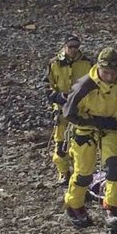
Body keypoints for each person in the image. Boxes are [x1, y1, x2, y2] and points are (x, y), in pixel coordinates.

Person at [62, 46, 117, 231]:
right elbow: (69, 113)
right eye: (106, 72)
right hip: (85, 131)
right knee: (84, 174)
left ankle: (113, 209)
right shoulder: (85, 86)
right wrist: (95, 122)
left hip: (111, 129)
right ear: (98, 68)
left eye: (113, 73)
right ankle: (74, 206)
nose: (110, 77)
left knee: (116, 169)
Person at [45, 34, 92, 185]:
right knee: (60, 143)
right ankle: (63, 173)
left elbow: (95, 85)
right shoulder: (54, 63)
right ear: (65, 46)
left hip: (81, 109)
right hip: (61, 109)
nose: (73, 49)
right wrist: (57, 97)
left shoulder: (87, 63)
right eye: (70, 46)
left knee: (80, 143)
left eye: (76, 46)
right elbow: (47, 85)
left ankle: (79, 173)